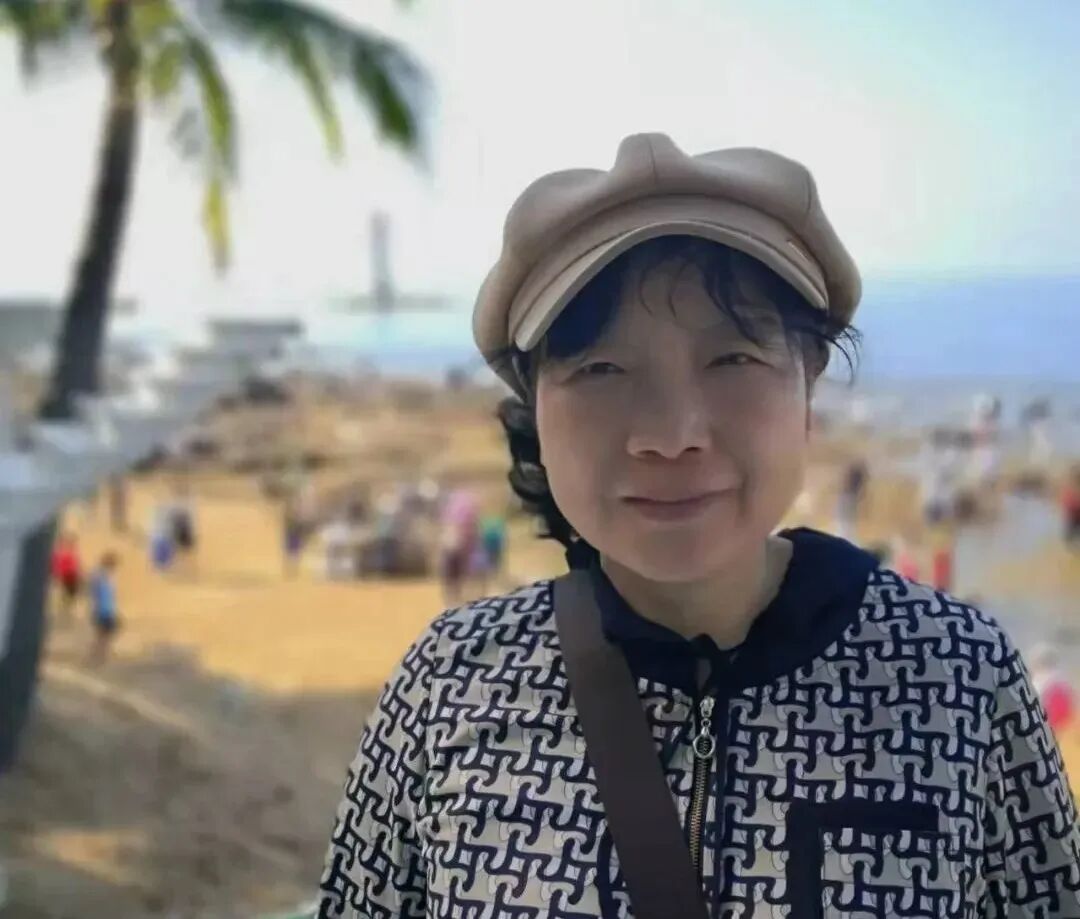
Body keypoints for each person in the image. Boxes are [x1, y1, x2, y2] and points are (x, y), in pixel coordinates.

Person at [319, 134, 1080, 916]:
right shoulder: (448, 685)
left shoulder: (960, 676)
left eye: (733, 359)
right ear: (534, 407)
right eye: (601, 368)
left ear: (809, 383)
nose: (671, 433)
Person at [88, 552, 121, 664]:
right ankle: (98, 654)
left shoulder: (104, 576)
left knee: (103, 634)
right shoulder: (102, 576)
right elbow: (98, 593)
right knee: (103, 634)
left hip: (105, 609)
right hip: (103, 610)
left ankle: (99, 654)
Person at [50, 532, 83, 624]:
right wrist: (57, 575)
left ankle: (68, 611)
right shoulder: (60, 553)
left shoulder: (69, 552)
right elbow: (57, 565)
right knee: (66, 595)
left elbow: (75, 564)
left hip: (71, 576)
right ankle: (66, 611)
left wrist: (79, 573)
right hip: (66, 576)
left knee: (71, 595)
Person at [834, 457, 868, 541]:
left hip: (847, 498)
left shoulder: (851, 476)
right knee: (846, 525)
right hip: (849, 498)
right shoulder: (856, 476)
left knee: (845, 525)